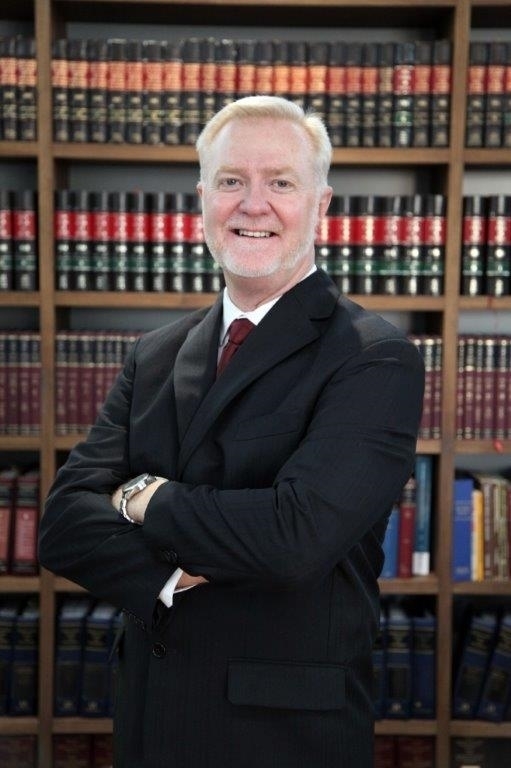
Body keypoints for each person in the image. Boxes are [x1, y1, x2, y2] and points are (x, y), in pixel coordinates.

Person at [39, 95, 425, 768]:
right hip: (151, 715)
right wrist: (169, 577)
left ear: (321, 205)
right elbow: (64, 524)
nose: (253, 204)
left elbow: (294, 538)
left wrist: (143, 499)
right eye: (231, 181)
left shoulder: (373, 356)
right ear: (202, 201)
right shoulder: (156, 353)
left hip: (282, 734)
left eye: (280, 183)